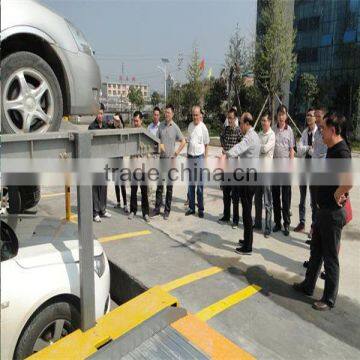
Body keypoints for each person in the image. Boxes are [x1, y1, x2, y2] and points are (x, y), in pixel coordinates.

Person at [293, 113, 352, 311]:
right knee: (316, 251)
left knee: (330, 256)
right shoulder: (332, 148)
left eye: (324, 129)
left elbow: (348, 182)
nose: (321, 132)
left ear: (333, 131)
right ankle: (308, 285)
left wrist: (336, 195)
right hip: (322, 211)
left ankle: (328, 298)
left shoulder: (341, 151)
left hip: (332, 213)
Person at [227, 112, 261, 255]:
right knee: (246, 209)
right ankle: (247, 239)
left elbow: (239, 148)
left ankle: (248, 247)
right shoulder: (253, 135)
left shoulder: (250, 137)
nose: (240, 125)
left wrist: (226, 153)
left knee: (246, 212)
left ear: (247, 123)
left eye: (241, 123)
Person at [152, 104, 186, 220]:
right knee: (160, 186)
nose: (167, 114)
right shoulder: (160, 126)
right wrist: (161, 147)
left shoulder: (175, 127)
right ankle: (157, 209)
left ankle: (167, 211)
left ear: (173, 114)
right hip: (162, 160)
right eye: (165, 112)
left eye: (169, 113)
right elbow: (157, 140)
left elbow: (183, 141)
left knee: (169, 187)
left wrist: (176, 153)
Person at [272, 105, 295, 236]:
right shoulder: (273, 129)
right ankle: (277, 222)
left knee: (286, 197)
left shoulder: (290, 130)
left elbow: (292, 149)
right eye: (279, 114)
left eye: (283, 114)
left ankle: (286, 224)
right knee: (276, 196)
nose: (281, 117)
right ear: (277, 116)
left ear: (286, 116)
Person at [294, 108, 318, 234]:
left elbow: (317, 151)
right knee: (302, 197)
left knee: (314, 200)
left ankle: (314, 226)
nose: (308, 117)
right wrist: (309, 147)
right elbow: (299, 149)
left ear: (315, 118)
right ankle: (302, 222)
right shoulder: (304, 132)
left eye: (311, 115)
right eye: (307, 115)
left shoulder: (318, 133)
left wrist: (307, 149)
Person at [219, 108, 242, 228]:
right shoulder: (226, 130)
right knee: (226, 193)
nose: (230, 120)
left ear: (236, 119)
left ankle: (236, 220)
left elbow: (242, 146)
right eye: (228, 118)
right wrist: (223, 147)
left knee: (235, 195)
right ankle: (226, 216)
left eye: (232, 118)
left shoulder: (239, 131)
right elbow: (221, 137)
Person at [185, 106, 210, 218]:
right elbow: (189, 142)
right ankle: (191, 208)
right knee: (191, 185)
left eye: (196, 115)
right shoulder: (190, 126)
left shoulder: (203, 127)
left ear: (200, 115)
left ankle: (200, 209)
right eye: (193, 115)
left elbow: (206, 143)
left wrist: (205, 158)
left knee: (200, 186)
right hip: (190, 157)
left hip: (199, 158)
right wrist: (187, 154)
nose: (195, 117)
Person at [254, 113, 275, 238]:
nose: (263, 122)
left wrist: (259, 147)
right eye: (262, 120)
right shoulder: (259, 134)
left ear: (270, 122)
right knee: (257, 199)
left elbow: (265, 149)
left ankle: (267, 227)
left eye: (265, 120)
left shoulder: (272, 135)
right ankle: (257, 224)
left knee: (267, 201)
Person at [89, 108, 111, 222]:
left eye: (101, 113)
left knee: (103, 187)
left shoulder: (107, 126)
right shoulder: (91, 127)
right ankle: (95, 212)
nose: (100, 116)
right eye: (98, 113)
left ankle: (103, 210)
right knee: (95, 188)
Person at [128, 111, 150, 222]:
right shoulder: (131, 132)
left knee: (144, 190)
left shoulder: (146, 133)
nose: (135, 122)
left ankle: (145, 213)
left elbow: (150, 149)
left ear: (141, 120)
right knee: (133, 190)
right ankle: (133, 210)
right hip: (133, 165)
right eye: (134, 120)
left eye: (137, 120)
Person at [108, 113, 129, 214]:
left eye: (117, 119)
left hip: (120, 160)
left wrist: (118, 121)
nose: (115, 121)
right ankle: (118, 202)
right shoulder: (111, 128)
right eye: (114, 119)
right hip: (113, 159)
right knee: (116, 183)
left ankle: (125, 204)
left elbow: (121, 127)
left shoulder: (121, 128)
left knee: (122, 183)